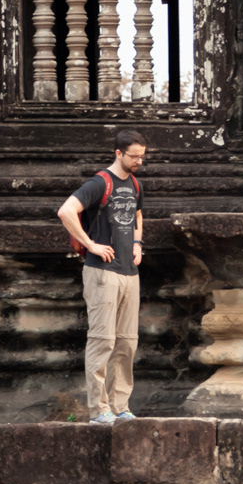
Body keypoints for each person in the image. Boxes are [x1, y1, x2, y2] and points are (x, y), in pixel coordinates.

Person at [57, 130, 146, 426]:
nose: (139, 162)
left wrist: (137, 244)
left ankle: (121, 406)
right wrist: (91, 244)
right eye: (134, 156)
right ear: (118, 153)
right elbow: (66, 211)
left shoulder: (134, 183)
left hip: (129, 272)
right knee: (102, 341)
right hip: (102, 272)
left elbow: (138, 213)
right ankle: (99, 409)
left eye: (142, 156)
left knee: (127, 343)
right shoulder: (99, 183)